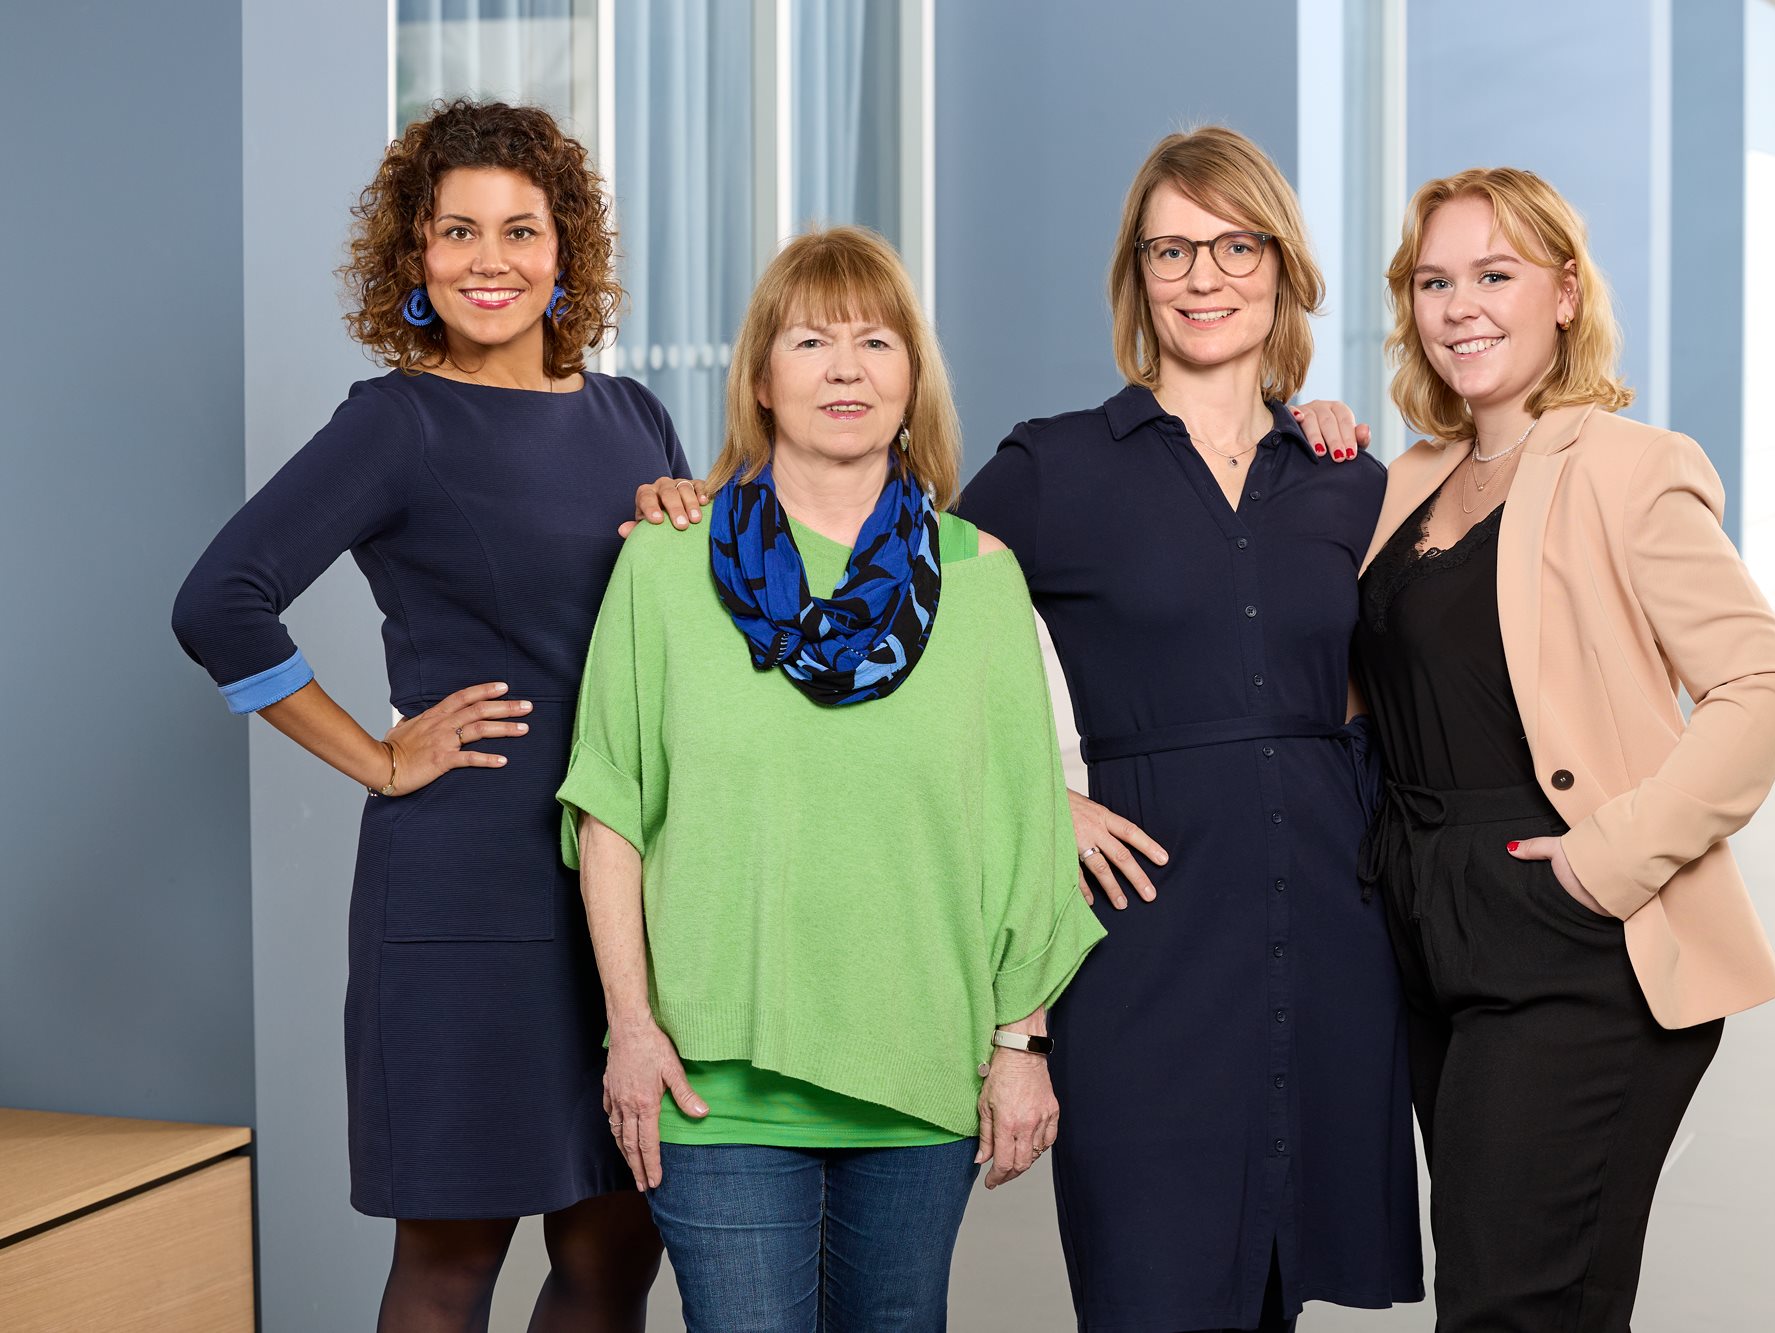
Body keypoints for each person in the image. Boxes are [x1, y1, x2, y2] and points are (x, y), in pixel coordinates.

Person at [171, 100, 678, 1332]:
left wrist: (696, 526)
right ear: (415, 255)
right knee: (453, 1264)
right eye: (457, 231)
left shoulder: (633, 418)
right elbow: (219, 602)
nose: (490, 260)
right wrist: (380, 761)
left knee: (617, 1258)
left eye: (521, 230)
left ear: (567, 254)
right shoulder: (396, 422)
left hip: (628, 890)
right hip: (466, 896)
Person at [557, 224, 1104, 1333]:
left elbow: (1025, 837)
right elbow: (610, 806)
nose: (845, 368)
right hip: (713, 1080)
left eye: (875, 341)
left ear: (912, 380)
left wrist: (1021, 1047)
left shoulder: (982, 580)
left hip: (920, 1071)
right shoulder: (662, 564)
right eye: (809, 341)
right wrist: (629, 1026)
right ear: (760, 378)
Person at [952, 126, 1422, 1331]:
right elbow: (907, 628)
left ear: (1282, 268)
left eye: (1233, 245)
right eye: (1171, 250)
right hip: (1140, 947)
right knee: (1149, 1287)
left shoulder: (1345, 477)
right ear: (1136, 275)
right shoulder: (1051, 467)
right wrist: (1036, 796)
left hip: (1322, 929)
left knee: (1276, 1292)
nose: (1203, 276)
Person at [1351, 166, 1775, 1330]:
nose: (1459, 306)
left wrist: (1606, 863)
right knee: (1511, 1288)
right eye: (1434, 281)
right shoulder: (1405, 481)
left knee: (1510, 1304)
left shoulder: (1628, 468)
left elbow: (1758, 683)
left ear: (1561, 290)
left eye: (1492, 275)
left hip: (1566, 936)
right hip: (1421, 922)